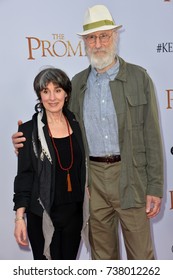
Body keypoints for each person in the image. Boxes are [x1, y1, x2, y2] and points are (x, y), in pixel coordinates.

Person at [12, 5, 164, 260]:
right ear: (84, 42)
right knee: (102, 258)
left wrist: (155, 186)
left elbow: (152, 135)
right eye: (92, 37)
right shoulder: (78, 82)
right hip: (91, 182)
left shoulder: (139, 78)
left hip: (131, 178)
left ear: (114, 37)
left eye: (104, 35)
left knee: (142, 258)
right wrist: (25, 140)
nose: (98, 43)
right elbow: (54, 120)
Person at [13, 67, 86, 260]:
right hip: (42, 215)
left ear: (67, 93)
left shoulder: (78, 124)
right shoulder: (29, 131)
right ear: (39, 95)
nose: (52, 97)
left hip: (74, 214)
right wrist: (19, 218)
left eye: (58, 90)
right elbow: (24, 176)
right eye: (46, 91)